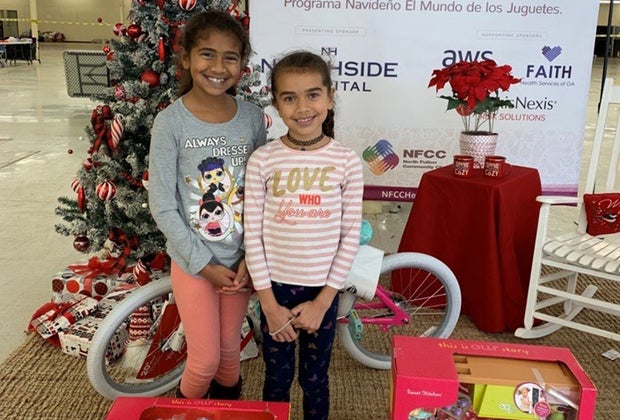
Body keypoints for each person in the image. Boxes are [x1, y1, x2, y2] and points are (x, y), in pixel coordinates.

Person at [148, 10, 266, 400]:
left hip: (240, 265)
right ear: (186, 58)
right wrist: (203, 265)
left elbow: (261, 193)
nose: (218, 67)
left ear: (242, 64)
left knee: (230, 357)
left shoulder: (252, 118)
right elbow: (162, 204)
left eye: (230, 57)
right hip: (195, 264)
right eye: (207, 54)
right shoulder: (170, 123)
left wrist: (251, 257)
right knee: (204, 361)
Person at [244, 51, 364, 419]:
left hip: (322, 293)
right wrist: (268, 304)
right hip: (275, 291)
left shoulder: (346, 161)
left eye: (313, 94)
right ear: (276, 103)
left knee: (315, 380)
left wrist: (324, 302)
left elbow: (349, 236)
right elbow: (253, 236)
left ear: (330, 97)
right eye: (289, 97)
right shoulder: (263, 159)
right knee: (276, 379)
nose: (302, 108)